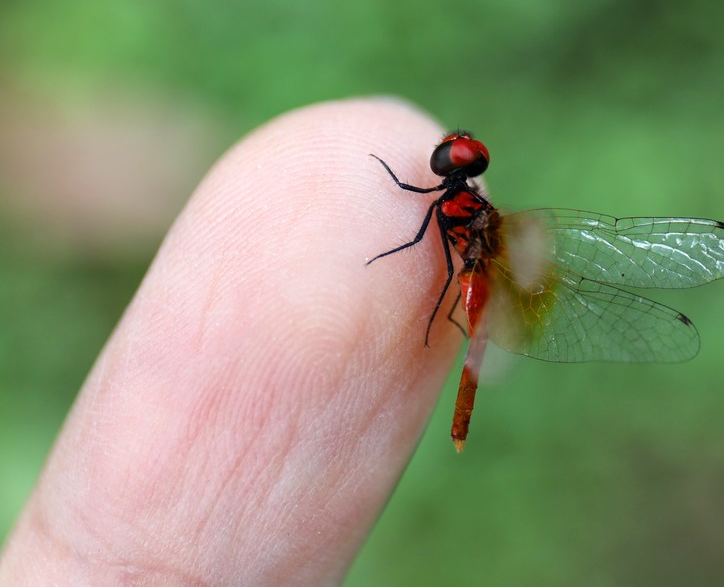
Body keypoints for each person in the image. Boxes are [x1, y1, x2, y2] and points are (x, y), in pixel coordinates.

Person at [0, 99, 462, 585]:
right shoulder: (458, 202)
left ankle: (447, 322)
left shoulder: (457, 205)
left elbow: (414, 238)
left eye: (455, 155)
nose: (451, 153)